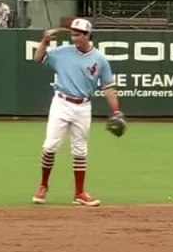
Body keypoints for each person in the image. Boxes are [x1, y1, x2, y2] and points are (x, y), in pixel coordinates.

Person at [30, 18, 123, 207]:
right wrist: (44, 42)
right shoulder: (62, 52)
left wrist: (117, 111)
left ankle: (79, 193)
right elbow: (38, 58)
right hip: (61, 103)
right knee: (50, 146)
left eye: (78, 33)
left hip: (83, 106)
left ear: (88, 35)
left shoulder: (100, 59)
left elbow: (108, 87)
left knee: (80, 149)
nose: (75, 36)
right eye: (73, 33)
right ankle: (43, 186)